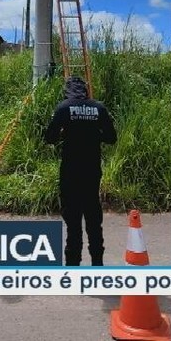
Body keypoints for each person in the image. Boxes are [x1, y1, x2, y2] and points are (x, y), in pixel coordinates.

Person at [44, 76, 116, 266]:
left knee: (73, 223)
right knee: (93, 221)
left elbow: (49, 137)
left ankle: (73, 267)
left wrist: (65, 133)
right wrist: (93, 135)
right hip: (92, 173)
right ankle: (97, 265)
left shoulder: (63, 108)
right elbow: (111, 137)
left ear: (67, 91)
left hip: (70, 173)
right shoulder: (99, 108)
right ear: (85, 90)